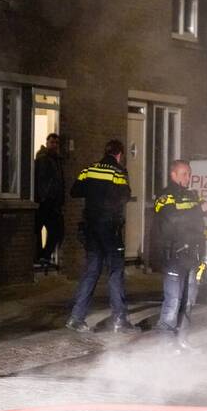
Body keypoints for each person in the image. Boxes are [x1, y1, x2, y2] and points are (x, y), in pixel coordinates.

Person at [65, 139, 136, 333]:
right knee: (115, 271)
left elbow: (75, 191)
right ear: (119, 154)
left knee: (92, 271)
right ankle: (120, 319)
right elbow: (125, 196)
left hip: (91, 228)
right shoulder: (117, 172)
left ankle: (76, 317)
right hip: (110, 229)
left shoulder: (89, 169)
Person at [153, 159, 207, 349]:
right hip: (174, 256)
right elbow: (173, 217)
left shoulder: (191, 195)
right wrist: (200, 209)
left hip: (194, 256)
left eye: (189, 174)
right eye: (184, 174)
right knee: (173, 301)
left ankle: (182, 340)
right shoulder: (165, 196)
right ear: (173, 175)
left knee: (188, 302)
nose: (188, 178)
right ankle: (165, 344)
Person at [34, 133, 65, 265]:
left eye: (56, 143)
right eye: (52, 142)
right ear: (47, 143)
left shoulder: (56, 159)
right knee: (50, 230)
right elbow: (41, 180)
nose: (54, 145)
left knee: (56, 231)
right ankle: (41, 256)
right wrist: (44, 198)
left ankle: (43, 256)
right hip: (46, 202)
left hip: (52, 202)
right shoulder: (43, 159)